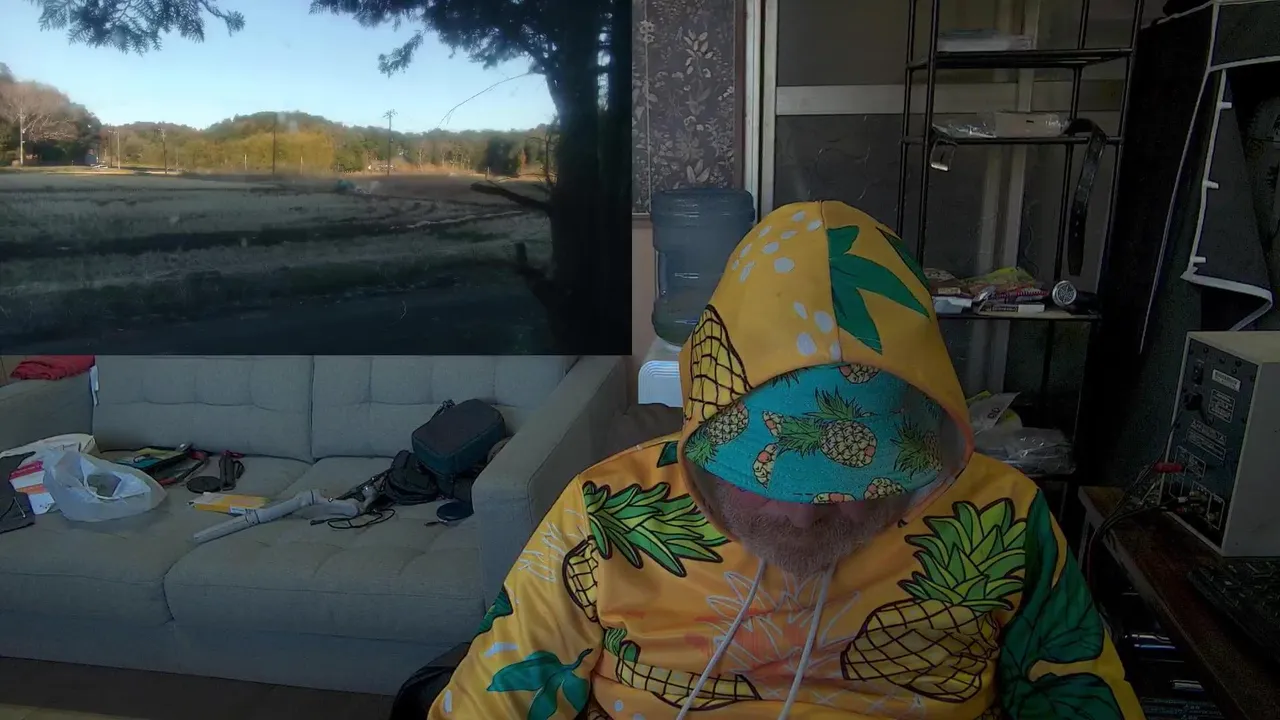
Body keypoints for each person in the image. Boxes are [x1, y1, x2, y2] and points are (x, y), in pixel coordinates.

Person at [427, 201, 1144, 719]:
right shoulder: (604, 513)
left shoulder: (1004, 514)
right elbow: (490, 703)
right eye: (764, 472)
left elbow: (1082, 695)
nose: (802, 517)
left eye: (851, 481)